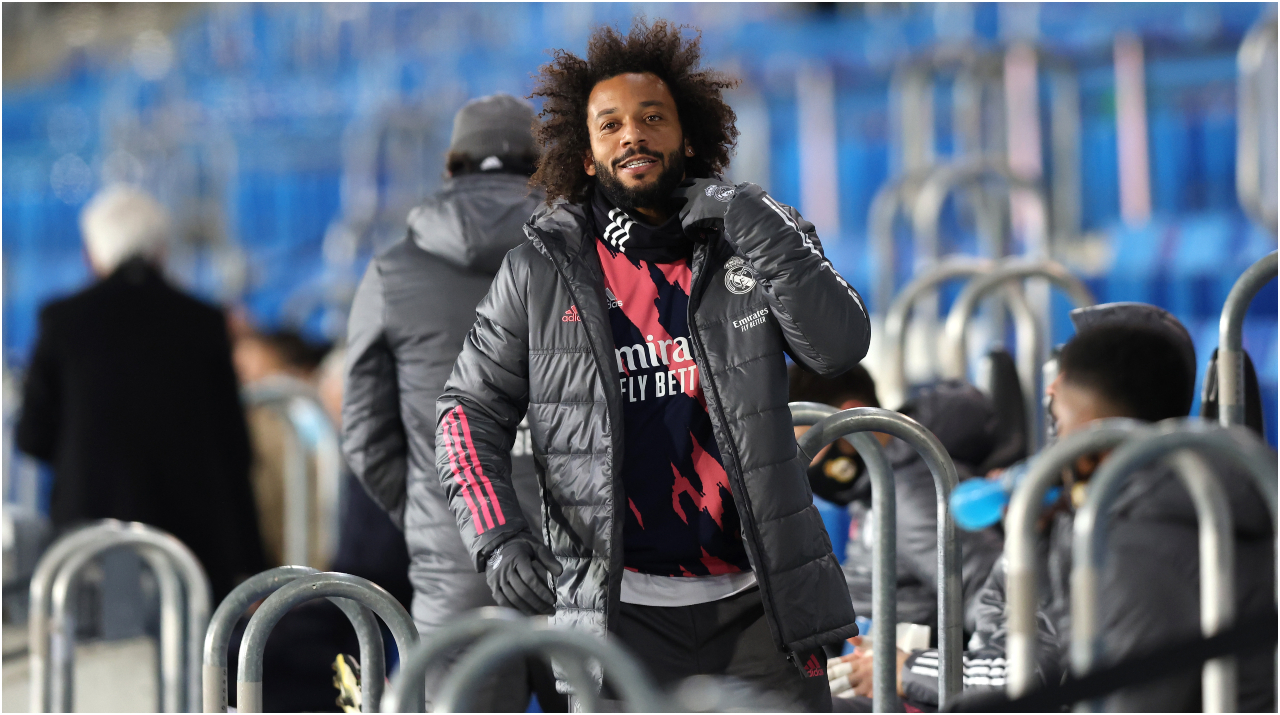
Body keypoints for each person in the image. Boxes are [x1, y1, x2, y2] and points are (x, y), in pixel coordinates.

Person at [434, 19, 871, 711]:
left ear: (688, 135)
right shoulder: (540, 270)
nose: (632, 134)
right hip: (616, 618)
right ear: (585, 154)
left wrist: (755, 223)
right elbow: (466, 414)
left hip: (762, 605)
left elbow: (838, 346)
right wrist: (495, 535)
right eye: (609, 125)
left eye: (651, 117)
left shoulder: (754, 235)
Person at [837, 304, 1275, 712]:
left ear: (1095, 436)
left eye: (1059, 414)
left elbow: (1074, 683)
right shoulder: (1115, 511)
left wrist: (910, 669)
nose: (1049, 405)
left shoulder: (1138, 542)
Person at [343, 93, 562, 711]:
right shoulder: (593, 258)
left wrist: (435, 512)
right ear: (545, 164)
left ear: (451, 166)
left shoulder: (390, 272)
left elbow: (365, 437)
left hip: (455, 561)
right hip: (582, 562)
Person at [15, 185, 265, 601]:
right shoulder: (203, 320)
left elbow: (32, 436)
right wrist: (250, 558)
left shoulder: (62, 321)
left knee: (93, 659)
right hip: (193, 539)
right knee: (193, 656)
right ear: (162, 250)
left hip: (90, 536)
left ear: (91, 253)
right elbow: (233, 445)